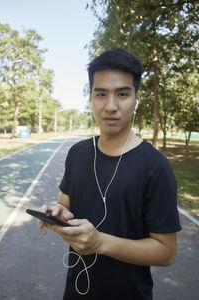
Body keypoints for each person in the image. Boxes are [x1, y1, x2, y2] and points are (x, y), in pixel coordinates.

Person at [37, 49, 182, 300]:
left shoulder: (155, 166)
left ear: (137, 99)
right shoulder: (78, 153)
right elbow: (66, 202)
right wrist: (60, 212)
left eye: (123, 94)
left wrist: (100, 243)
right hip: (75, 291)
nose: (111, 106)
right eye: (101, 94)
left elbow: (166, 252)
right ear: (91, 97)